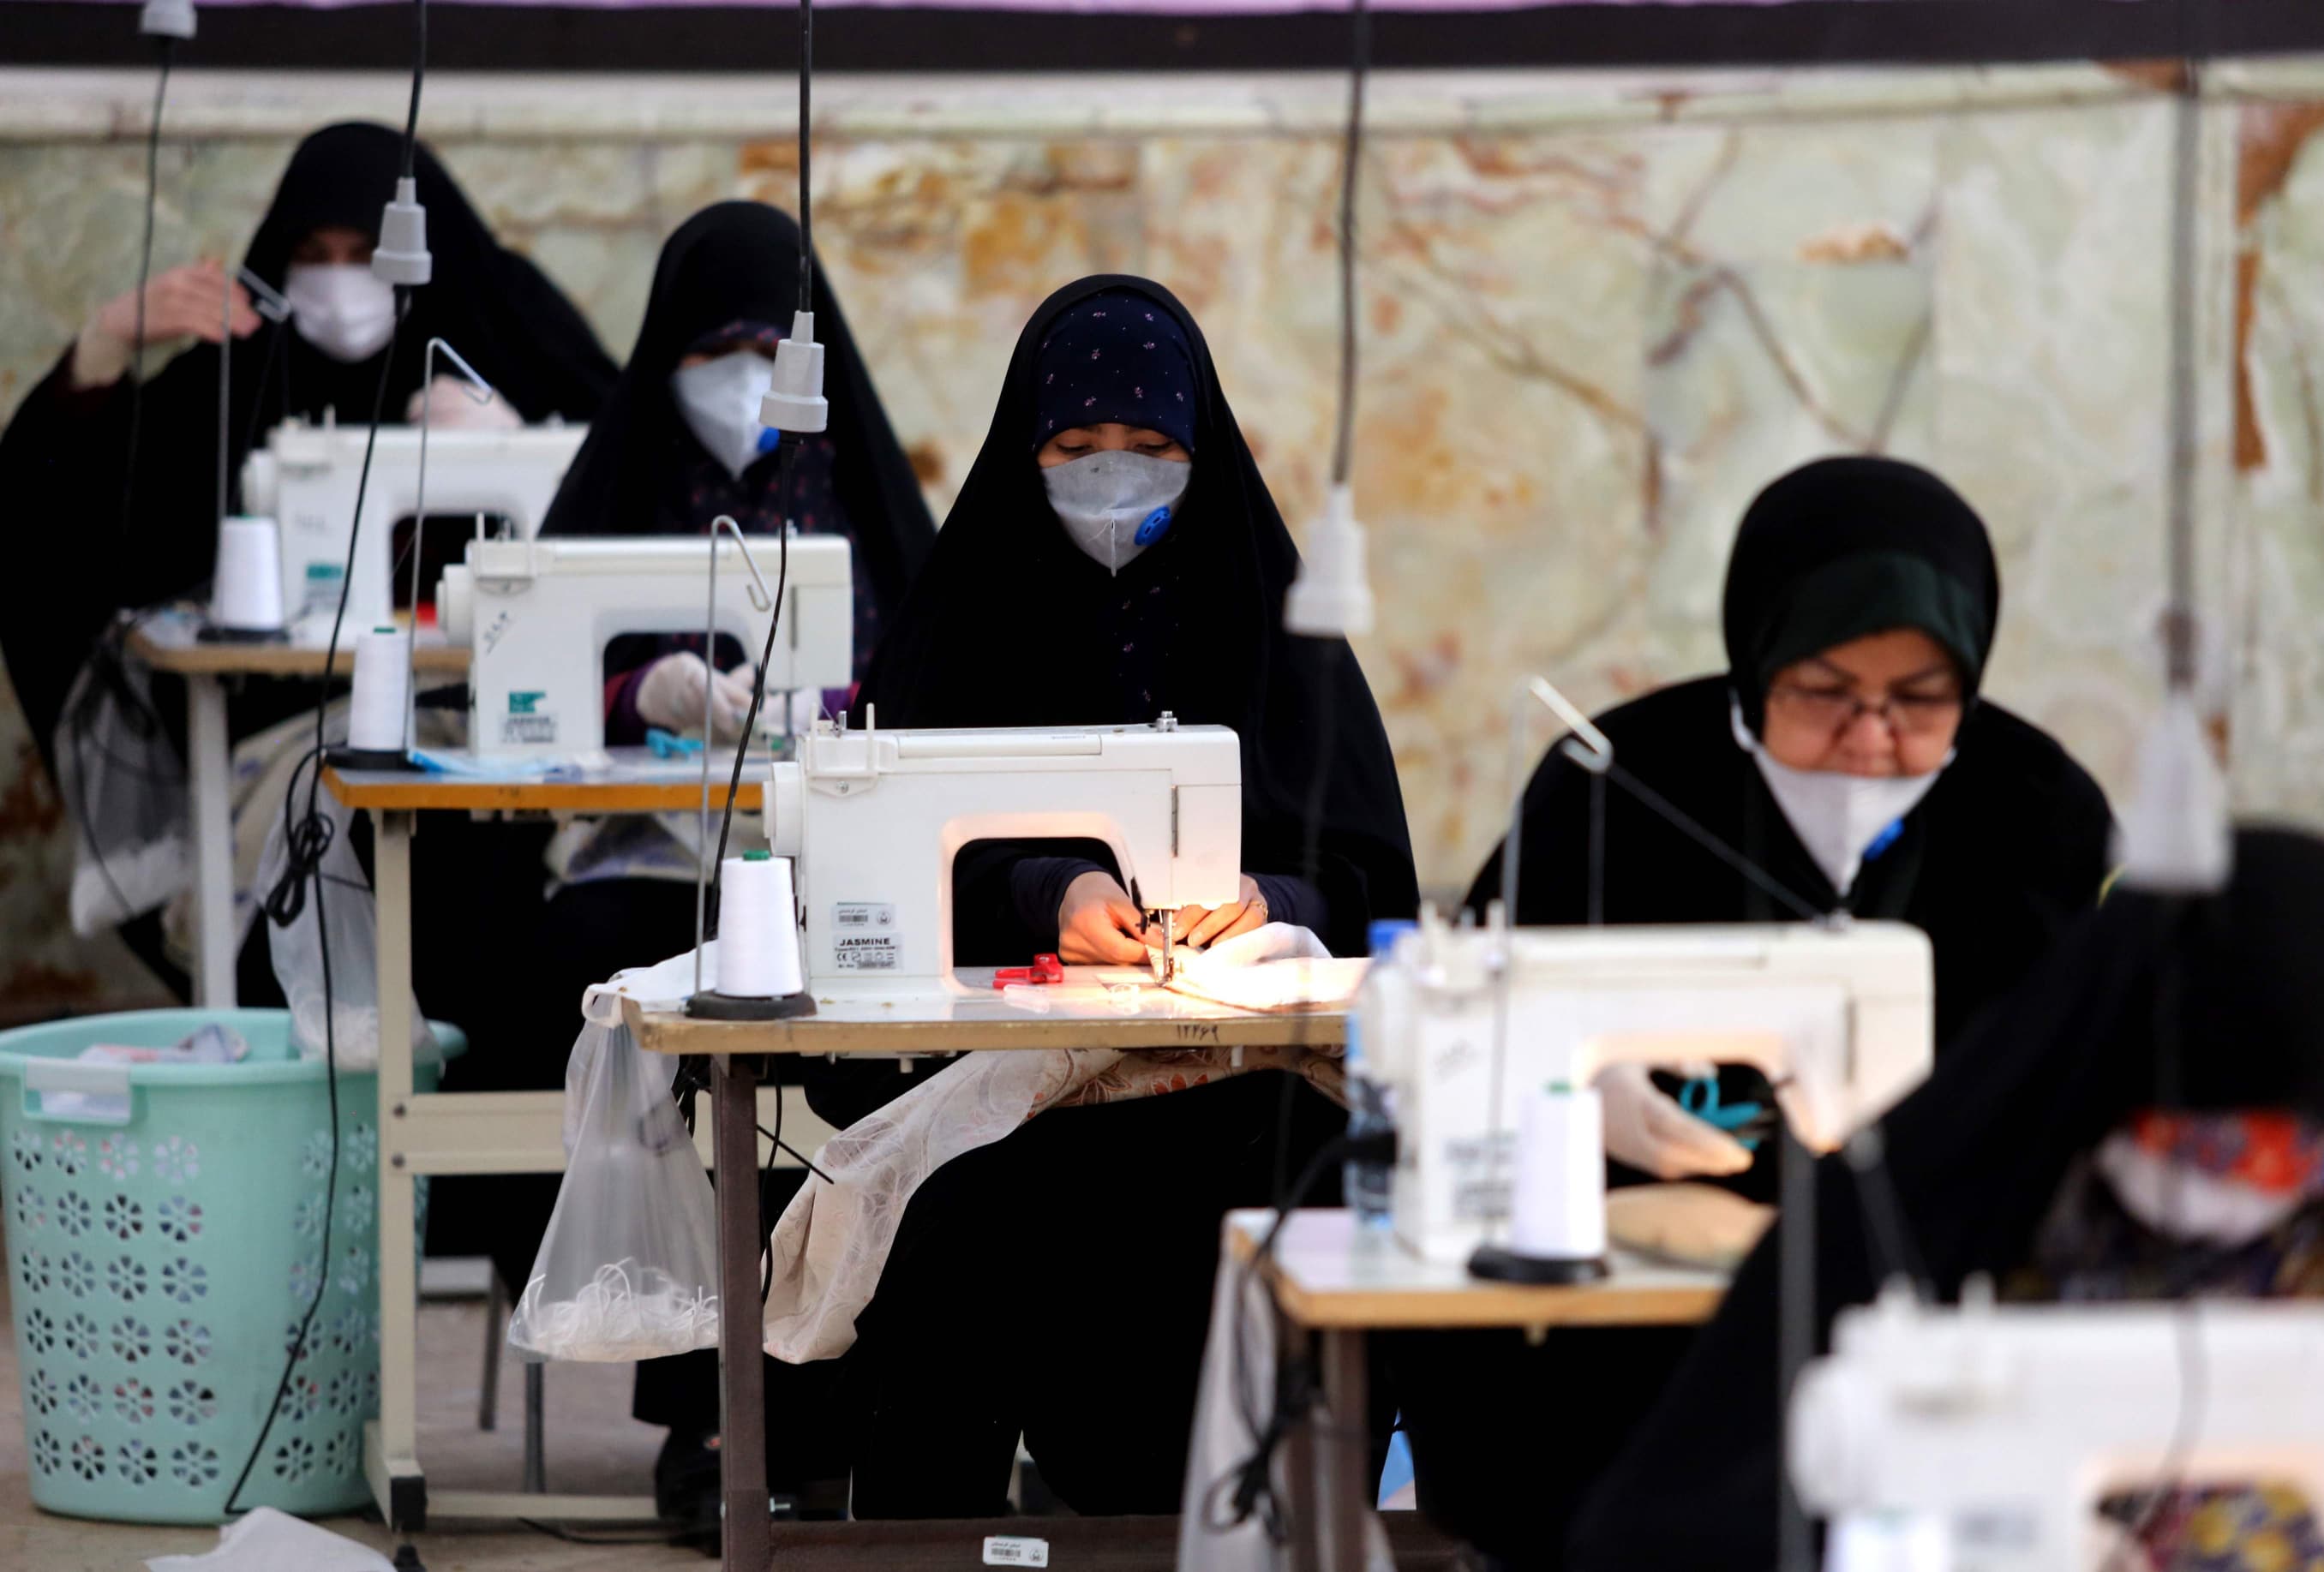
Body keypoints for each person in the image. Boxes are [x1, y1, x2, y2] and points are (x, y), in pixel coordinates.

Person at [1389, 455, 2116, 1567]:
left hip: (1923, 1292)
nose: (1870, 737)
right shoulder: (1612, 783)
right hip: (1614, 1315)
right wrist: (1572, 1085)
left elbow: (2068, 1068)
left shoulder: (2037, 812)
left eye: (1921, 698)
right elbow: (1466, 1017)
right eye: (1824, 691)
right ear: (1756, 658)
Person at [802, 276, 1419, 1518]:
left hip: (1244, 1093)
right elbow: (884, 856)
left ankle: (1251, 1515)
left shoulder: (1276, 625)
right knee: (961, 1224)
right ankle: (929, 1542)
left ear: (1203, 448)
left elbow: (1364, 871)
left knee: (1328, 1196)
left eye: (1150, 445)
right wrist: (1046, 888)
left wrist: (1265, 898)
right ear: (1023, 449)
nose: (1112, 474)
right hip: (1014, 1091)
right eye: (1076, 445)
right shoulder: (964, 616)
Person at [1570, 826, 2324, 1569]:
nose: (2230, 1182)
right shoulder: (1920, 1211)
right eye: (2196, 1143)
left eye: (2287, 1155)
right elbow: (1679, 1519)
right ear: (2108, 1069)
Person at [511, 200, 933, 1533]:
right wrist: (648, 687)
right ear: (667, 353)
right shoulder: (627, 478)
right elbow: (538, 664)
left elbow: (931, 673)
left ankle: (826, 1399)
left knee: (857, 1040)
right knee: (631, 997)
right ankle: (705, 1411)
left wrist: (841, 703)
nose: (746, 375)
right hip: (649, 843)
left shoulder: (852, 485)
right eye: (717, 348)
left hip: (828, 851)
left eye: (770, 347)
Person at [0, 121, 616, 997]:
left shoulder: (501, 335)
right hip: (286, 729)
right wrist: (104, 344)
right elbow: (54, 523)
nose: (341, 280)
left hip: (506, 722)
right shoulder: (241, 374)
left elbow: (634, 487)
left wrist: (525, 441)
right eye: (314, 254)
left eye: (368, 253)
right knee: (325, 824)